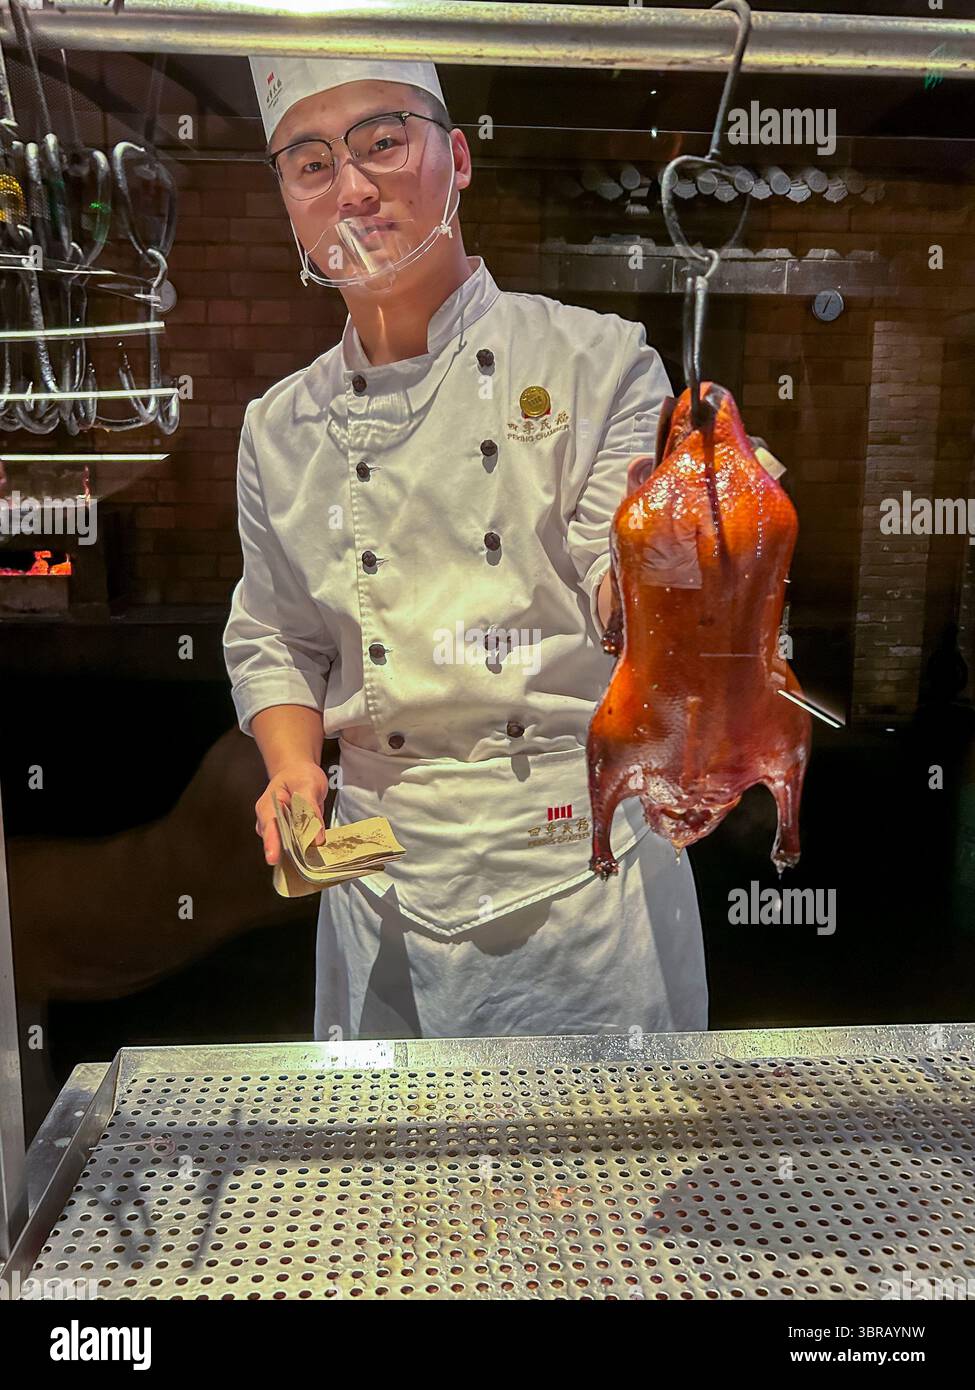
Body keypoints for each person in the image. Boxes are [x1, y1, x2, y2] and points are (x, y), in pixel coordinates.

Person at [223, 54, 708, 1040]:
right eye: (309, 162)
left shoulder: (600, 363)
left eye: (383, 141)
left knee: (600, 1178)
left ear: (458, 157)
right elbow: (274, 635)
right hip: (378, 878)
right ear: (286, 199)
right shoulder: (277, 427)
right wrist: (290, 766)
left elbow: (617, 588)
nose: (353, 186)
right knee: (395, 1184)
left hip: (578, 875)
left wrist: (685, 552)